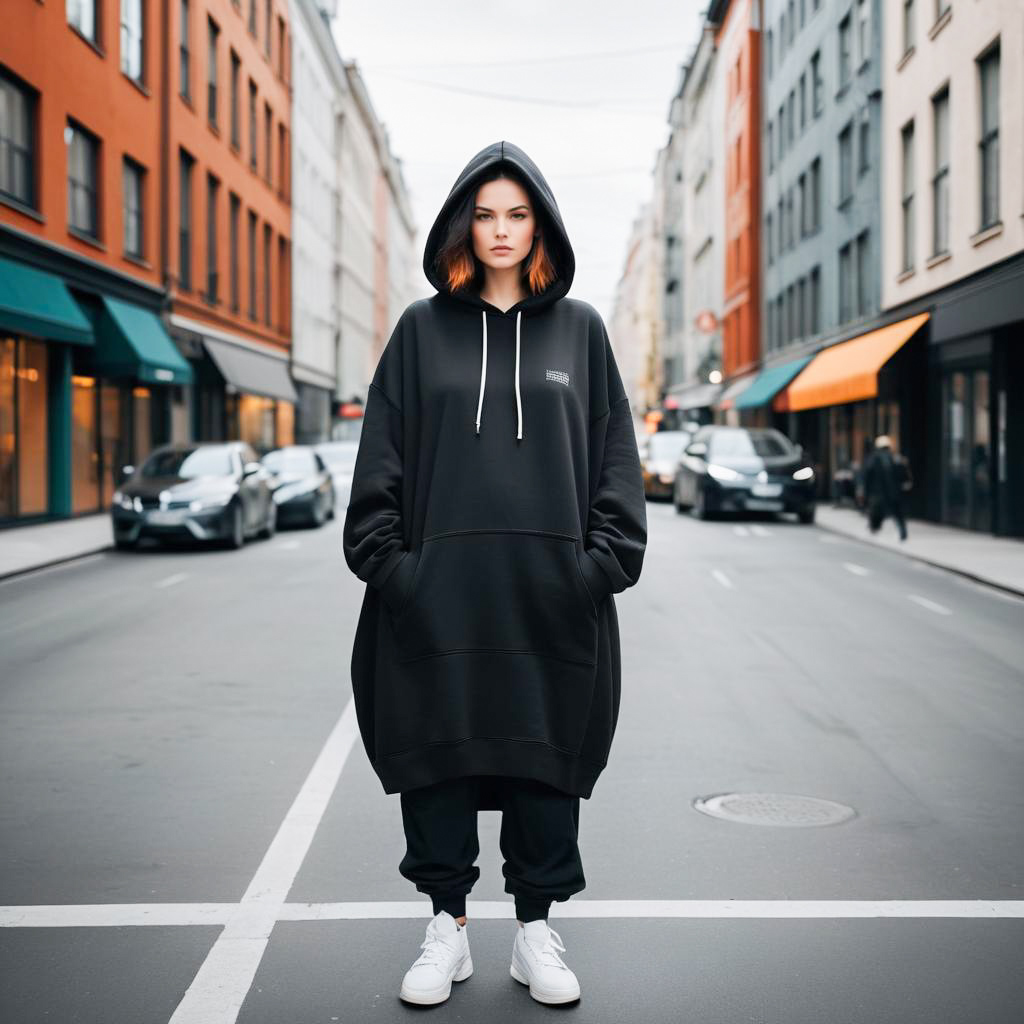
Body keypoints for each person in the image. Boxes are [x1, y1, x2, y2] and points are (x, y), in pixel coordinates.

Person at [342, 140, 647, 1007]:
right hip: (437, 610)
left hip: (551, 608)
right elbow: (378, 474)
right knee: (436, 761)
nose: (501, 230)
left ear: (541, 223)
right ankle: (447, 926)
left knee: (544, 765)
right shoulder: (418, 332)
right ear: (461, 224)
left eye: (517, 213)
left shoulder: (581, 331)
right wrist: (403, 577)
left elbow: (616, 469)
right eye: (485, 213)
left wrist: (594, 573)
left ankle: (535, 931)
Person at [863, 434, 912, 541]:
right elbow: (902, 474)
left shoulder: (874, 459)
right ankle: (901, 531)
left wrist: (866, 492)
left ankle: (875, 528)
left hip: (881, 492)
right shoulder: (893, 458)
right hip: (891, 491)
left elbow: (867, 477)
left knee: (878, 511)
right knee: (896, 512)